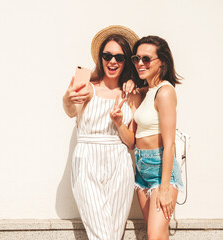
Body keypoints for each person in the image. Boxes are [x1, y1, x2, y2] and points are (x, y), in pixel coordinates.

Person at [63, 25, 142, 240]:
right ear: (101, 58)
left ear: (126, 60)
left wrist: (118, 123)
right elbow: (71, 111)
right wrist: (66, 99)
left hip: (120, 164)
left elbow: (131, 142)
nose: (112, 61)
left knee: (113, 233)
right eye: (107, 55)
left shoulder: (132, 95)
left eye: (119, 56)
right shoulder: (88, 88)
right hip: (87, 161)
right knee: (100, 232)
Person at [132, 36, 184, 239]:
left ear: (161, 61)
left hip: (161, 171)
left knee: (154, 236)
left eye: (146, 59)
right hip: (142, 170)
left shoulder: (165, 92)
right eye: (136, 58)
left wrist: (164, 189)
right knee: (159, 236)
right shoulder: (149, 91)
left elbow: (169, 144)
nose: (140, 63)